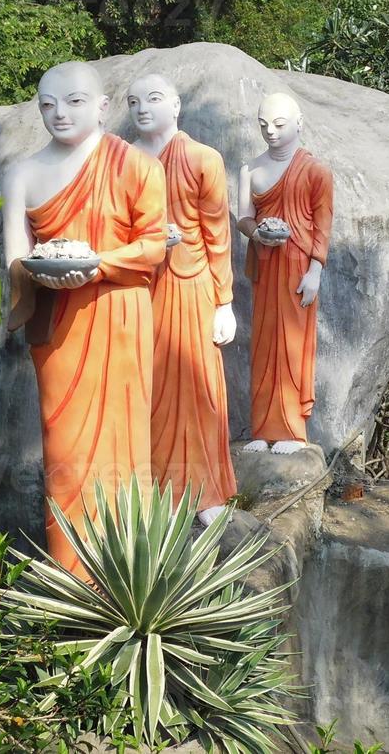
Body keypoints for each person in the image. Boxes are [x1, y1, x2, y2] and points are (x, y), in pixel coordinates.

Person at [2, 61, 166, 577]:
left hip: (120, 314)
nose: (58, 114)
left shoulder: (136, 165)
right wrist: (40, 273)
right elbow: (16, 257)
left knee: (124, 441)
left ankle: (126, 574)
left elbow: (154, 243)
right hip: (58, 323)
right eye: (47, 104)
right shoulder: (22, 173)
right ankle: (72, 576)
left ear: (101, 106)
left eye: (73, 101)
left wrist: (99, 264)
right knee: (65, 447)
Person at [127, 73, 237, 526]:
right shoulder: (122, 160)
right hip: (138, 287)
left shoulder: (201, 158)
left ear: (176, 106)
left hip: (191, 284)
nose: (142, 108)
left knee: (196, 386)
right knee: (144, 388)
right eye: (133, 101)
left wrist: (225, 302)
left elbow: (218, 233)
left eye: (153, 99)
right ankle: (156, 491)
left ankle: (206, 491)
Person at [237, 92, 333, 454]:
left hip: (298, 268)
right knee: (264, 344)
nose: (271, 132)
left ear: (298, 123)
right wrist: (256, 231)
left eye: (278, 124)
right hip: (266, 263)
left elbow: (323, 225)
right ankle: (263, 427)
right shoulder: (251, 168)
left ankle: (292, 430)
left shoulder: (315, 170)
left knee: (293, 345)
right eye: (264, 125)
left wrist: (315, 272)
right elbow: (244, 216)